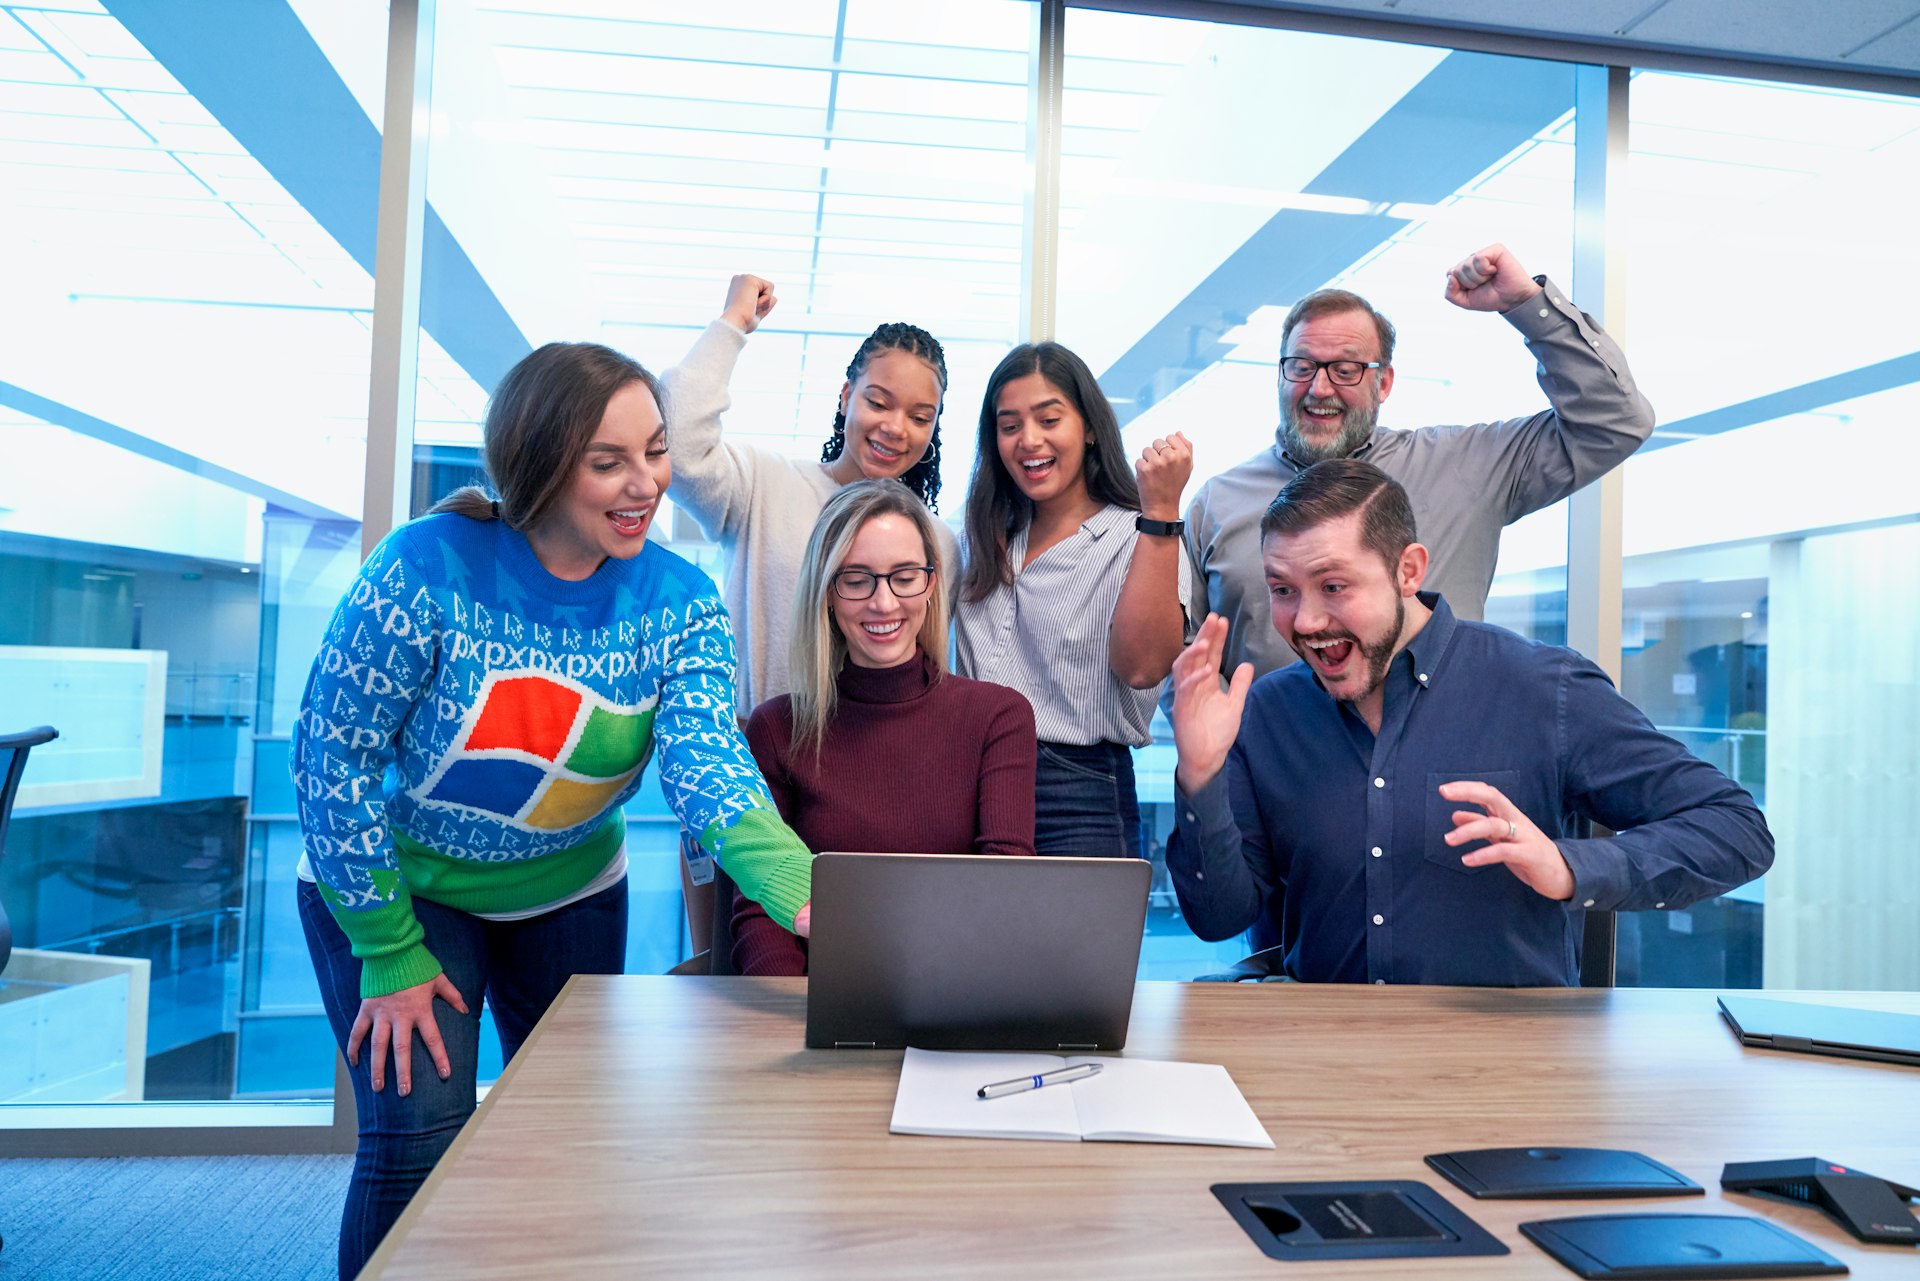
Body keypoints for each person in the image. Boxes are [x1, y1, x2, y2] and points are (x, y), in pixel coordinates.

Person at [290, 341, 813, 1279]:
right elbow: (331, 761)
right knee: (420, 1137)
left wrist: (798, 883)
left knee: (568, 1130)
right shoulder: (428, 568)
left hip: (570, 890)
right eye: (607, 462)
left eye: (655, 452)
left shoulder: (680, 601)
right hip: (401, 891)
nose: (645, 484)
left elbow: (706, 764)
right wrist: (385, 945)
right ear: (538, 463)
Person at [1164, 460, 1772, 986]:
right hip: (1328, 1059)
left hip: (1507, 1071)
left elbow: (1736, 831)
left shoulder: (1542, 687)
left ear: (1408, 571)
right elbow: (1218, 917)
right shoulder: (1266, 713)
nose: (1306, 621)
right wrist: (1198, 776)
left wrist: (1569, 867)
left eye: (1333, 585)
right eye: (1283, 590)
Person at [1184, 242, 1656, 680]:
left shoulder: (1467, 467)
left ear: (1384, 383)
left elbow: (1614, 422)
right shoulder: (1218, 504)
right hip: (1273, 765)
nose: (1319, 388)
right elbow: (1184, 658)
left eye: (1345, 370)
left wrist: (1527, 306)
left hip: (1440, 762)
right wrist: (1228, 757)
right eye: (1302, 366)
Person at [730, 479, 1038, 974]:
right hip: (821, 1001)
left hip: (959, 993)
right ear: (827, 593)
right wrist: (791, 1012)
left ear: (931, 584)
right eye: (857, 579)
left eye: (904, 576)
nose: (884, 602)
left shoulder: (998, 718)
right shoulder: (776, 728)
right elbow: (761, 906)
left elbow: (1001, 886)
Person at [662, 274, 957, 715]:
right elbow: (678, 446)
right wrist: (733, 323)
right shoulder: (764, 484)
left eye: (919, 416)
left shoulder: (936, 541)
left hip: (869, 759)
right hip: (754, 752)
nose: (896, 428)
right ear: (846, 397)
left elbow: (927, 668)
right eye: (878, 403)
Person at [954, 342, 1193, 858]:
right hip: (969, 782)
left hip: (1078, 791)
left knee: (1078, 941)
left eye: (1049, 418)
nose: (1028, 440)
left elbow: (1145, 666)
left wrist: (1160, 511)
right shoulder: (979, 535)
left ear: (1088, 428)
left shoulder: (1142, 535)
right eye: (1009, 424)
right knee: (973, 941)